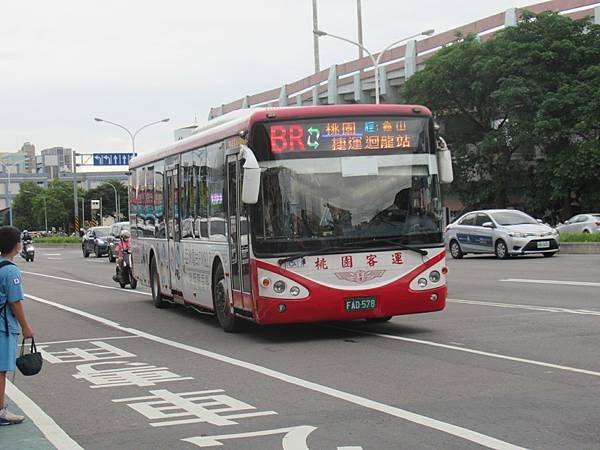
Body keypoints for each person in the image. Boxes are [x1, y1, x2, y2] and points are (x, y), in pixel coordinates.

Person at [0, 226, 34, 425]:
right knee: (1, 370)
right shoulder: (10, 270)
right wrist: (26, 328)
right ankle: (1, 411)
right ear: (16, 245)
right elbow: (15, 302)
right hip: (3, 327)